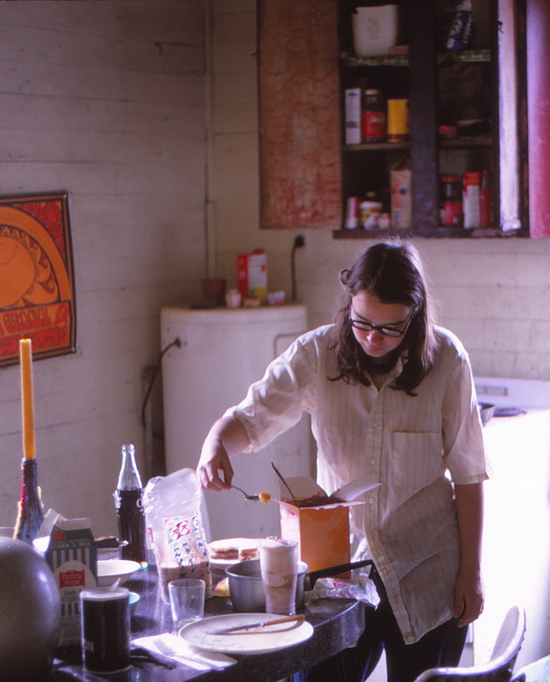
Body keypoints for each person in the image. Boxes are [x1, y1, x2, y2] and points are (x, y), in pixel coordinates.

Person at [197, 242, 489, 682]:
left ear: (416, 316)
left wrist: (472, 572)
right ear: (348, 303)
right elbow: (253, 415)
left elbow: (469, 475)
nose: (373, 338)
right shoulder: (316, 355)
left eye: (391, 329)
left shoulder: (448, 361)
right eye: (362, 322)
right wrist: (216, 443)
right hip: (341, 572)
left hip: (428, 565)